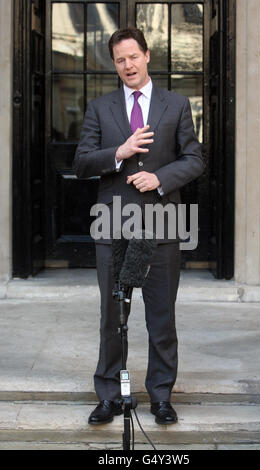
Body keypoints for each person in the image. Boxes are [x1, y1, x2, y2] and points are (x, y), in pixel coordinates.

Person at [73, 28, 204, 425]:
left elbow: (194, 159)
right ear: (114, 64)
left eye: (133, 56)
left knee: (161, 315)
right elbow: (81, 164)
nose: (128, 65)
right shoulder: (100, 108)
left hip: (161, 224)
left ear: (147, 56)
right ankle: (109, 395)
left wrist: (159, 178)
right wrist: (119, 152)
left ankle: (161, 395)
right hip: (113, 226)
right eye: (119, 60)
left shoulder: (177, 104)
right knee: (113, 315)